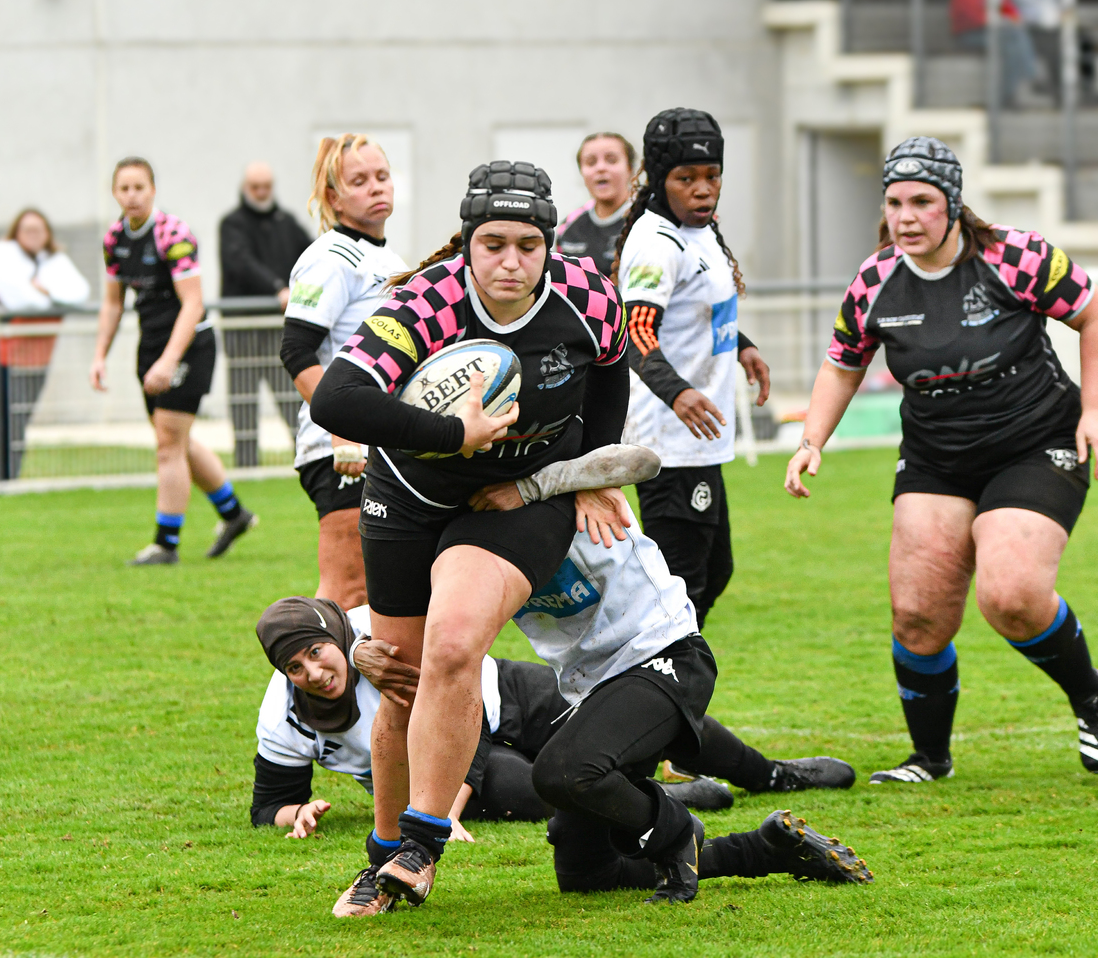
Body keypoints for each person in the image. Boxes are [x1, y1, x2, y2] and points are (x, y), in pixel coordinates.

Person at [322, 445, 861, 917]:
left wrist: (561, 482)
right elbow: (409, 621)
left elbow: (641, 460)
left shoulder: (556, 475)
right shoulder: (460, 537)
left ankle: (677, 823)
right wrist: (363, 649)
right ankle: (761, 850)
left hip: (663, 652)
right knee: (587, 873)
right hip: (591, 688)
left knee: (561, 773)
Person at [309, 160, 631, 911]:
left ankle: (424, 839)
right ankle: (385, 857)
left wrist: (592, 467)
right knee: (399, 674)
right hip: (410, 496)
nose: (510, 261)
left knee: (455, 643)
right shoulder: (428, 301)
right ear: (466, 242)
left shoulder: (588, 295)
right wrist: (453, 433)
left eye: (527, 243)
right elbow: (336, 396)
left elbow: (612, 371)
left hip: (520, 499)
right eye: (492, 244)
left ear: (550, 242)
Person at [785, 137, 1098, 786]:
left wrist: (1097, 410)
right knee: (918, 613)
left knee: (1012, 594)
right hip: (937, 458)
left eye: (922, 202)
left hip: (1036, 442)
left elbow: (1094, 316)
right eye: (895, 203)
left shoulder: (1015, 257)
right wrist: (811, 440)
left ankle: (1088, 693)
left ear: (954, 203)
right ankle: (929, 759)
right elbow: (843, 362)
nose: (906, 216)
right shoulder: (876, 279)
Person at [250, 593, 795, 845]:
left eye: (318, 652)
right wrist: (297, 812)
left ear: (341, 636)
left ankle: (770, 773)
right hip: (444, 764)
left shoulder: (384, 634)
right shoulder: (282, 716)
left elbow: (458, 711)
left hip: (498, 694)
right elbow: (266, 806)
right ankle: (669, 800)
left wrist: (442, 813)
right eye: (294, 667)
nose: (313, 673)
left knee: (642, 721)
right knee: (537, 792)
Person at [613, 109, 771, 628]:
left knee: (712, 571)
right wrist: (678, 393)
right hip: (672, 443)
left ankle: (657, 681)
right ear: (660, 180)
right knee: (681, 584)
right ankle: (659, 690)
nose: (703, 190)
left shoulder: (701, 231)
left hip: (701, 437)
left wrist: (741, 345)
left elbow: (700, 309)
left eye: (712, 176)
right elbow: (635, 335)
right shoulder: (657, 245)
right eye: (686, 179)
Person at [92, 157, 257, 565]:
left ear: (152, 190)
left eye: (139, 187)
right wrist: (99, 356)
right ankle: (234, 514)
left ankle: (165, 544)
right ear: (115, 193)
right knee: (176, 441)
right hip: (151, 347)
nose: (132, 196)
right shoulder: (114, 239)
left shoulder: (173, 233)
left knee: (168, 444)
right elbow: (113, 304)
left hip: (189, 346)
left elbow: (193, 303)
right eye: (124, 188)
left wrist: (169, 361)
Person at [278, 134, 405, 608]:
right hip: (340, 451)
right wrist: (341, 432)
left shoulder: (389, 261)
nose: (376, 187)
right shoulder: (330, 259)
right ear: (333, 197)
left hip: (382, 444)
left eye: (382, 176)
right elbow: (297, 351)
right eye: (359, 180)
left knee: (384, 595)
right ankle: (300, 681)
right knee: (346, 592)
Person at [218, 161, 314, 308]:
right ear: (244, 186)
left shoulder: (286, 221)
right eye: (255, 187)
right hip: (246, 316)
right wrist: (277, 287)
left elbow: (311, 255)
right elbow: (242, 264)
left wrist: (303, 292)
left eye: (267, 186)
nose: (261, 192)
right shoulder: (232, 223)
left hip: (284, 313)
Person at [950, 0, 1039, 108]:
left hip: (996, 32)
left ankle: (1012, 91)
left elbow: (1006, 7)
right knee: (1011, 38)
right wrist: (994, 20)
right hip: (970, 33)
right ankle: (1027, 79)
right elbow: (968, 13)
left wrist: (1014, 19)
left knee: (1015, 36)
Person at [555, 132, 636, 279]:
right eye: (591, 162)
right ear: (581, 172)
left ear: (630, 168)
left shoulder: (645, 220)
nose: (600, 168)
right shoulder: (568, 228)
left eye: (611, 160)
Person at [0, 208, 91, 311]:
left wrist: (48, 292)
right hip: (7, 326)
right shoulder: (3, 252)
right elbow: (22, 300)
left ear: (47, 233)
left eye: (37, 230)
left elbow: (82, 292)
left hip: (46, 327)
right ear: (17, 232)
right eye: (28, 230)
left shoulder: (56, 258)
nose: (33, 235)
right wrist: (50, 299)